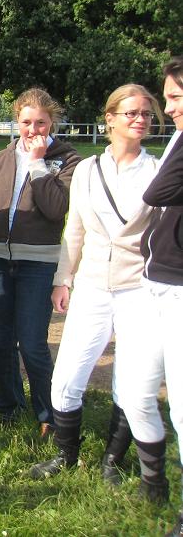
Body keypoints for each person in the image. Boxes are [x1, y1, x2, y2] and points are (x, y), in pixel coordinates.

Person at [28, 84, 162, 482]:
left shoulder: (157, 172)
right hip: (91, 285)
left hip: (139, 287)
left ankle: (111, 462)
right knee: (68, 374)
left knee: (129, 378)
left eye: (146, 114)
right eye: (131, 113)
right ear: (109, 119)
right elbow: (75, 229)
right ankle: (66, 455)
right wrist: (62, 278)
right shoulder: (88, 169)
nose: (140, 120)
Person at [0, 89, 81, 433]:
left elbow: (56, 209)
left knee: (33, 343)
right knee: (2, 342)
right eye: (26, 122)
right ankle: (9, 405)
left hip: (38, 264)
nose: (33, 129)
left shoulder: (67, 160)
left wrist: (38, 164)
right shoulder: (1, 159)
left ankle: (48, 414)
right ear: (16, 121)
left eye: (41, 122)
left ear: (52, 121)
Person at [123, 57, 183, 532]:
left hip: (181, 292)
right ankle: (153, 484)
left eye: (177, 98)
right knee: (136, 392)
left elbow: (157, 191)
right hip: (153, 283)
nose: (168, 108)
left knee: (182, 406)